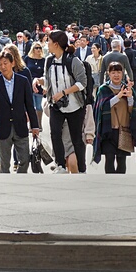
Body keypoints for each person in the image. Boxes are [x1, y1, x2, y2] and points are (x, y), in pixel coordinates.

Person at [33, 30, 88, 174]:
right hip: (56, 106)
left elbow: (82, 83)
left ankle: (82, 169)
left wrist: (64, 93)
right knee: (55, 133)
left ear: (56, 44)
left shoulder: (73, 61)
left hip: (75, 106)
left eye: (49, 41)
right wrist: (38, 81)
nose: (47, 45)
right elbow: (48, 81)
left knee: (76, 138)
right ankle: (60, 165)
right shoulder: (49, 61)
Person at [0, 50, 40, 174]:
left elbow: (30, 105)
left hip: (20, 125)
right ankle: (6, 187)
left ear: (12, 63)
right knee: (4, 163)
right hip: (3, 126)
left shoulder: (23, 81)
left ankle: (20, 180)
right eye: (0, 64)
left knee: (25, 160)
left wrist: (35, 126)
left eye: (5, 63)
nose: (3, 67)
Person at [93, 61, 136, 174]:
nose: (116, 75)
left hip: (123, 131)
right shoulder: (103, 90)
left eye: (119, 72)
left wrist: (129, 98)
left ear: (123, 73)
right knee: (109, 160)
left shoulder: (128, 89)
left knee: (122, 161)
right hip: (108, 132)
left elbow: (132, 111)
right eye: (113, 72)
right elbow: (101, 108)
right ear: (108, 74)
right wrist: (118, 97)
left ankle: (120, 186)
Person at [24, 41, 46, 131]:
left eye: (40, 48)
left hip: (39, 84)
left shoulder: (44, 60)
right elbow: (24, 70)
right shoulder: (27, 58)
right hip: (29, 84)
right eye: (36, 48)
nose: (38, 50)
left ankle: (39, 124)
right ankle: (31, 125)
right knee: (31, 105)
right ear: (32, 49)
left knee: (39, 105)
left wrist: (44, 85)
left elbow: (45, 73)